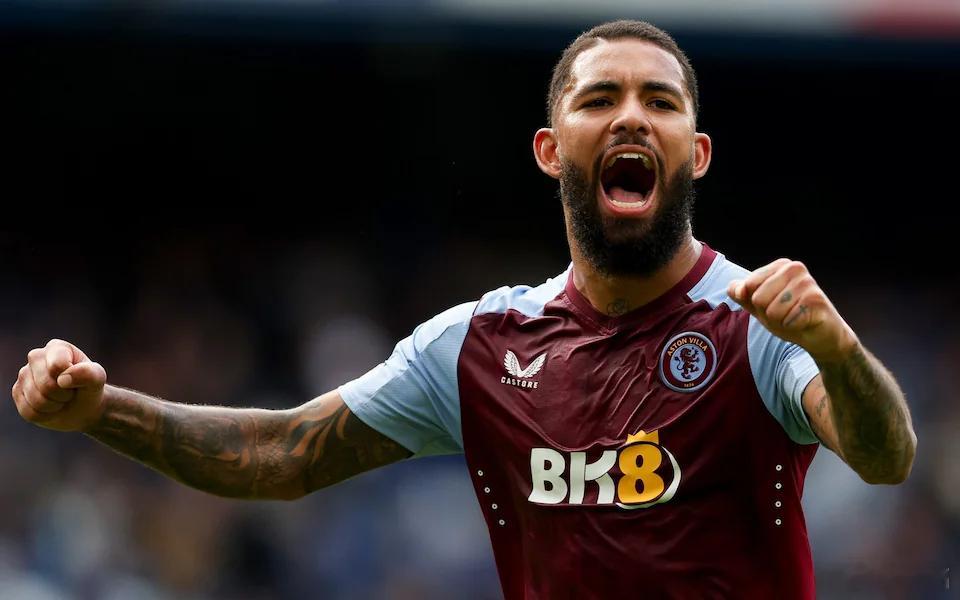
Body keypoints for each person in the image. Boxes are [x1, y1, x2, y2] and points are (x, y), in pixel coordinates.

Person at [11, 19, 916, 600]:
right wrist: (101, 411)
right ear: (550, 150)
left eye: (661, 101)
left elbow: (885, 457)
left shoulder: (759, 323)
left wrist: (838, 350)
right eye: (600, 98)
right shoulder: (479, 346)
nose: (632, 117)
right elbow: (282, 455)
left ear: (699, 151)